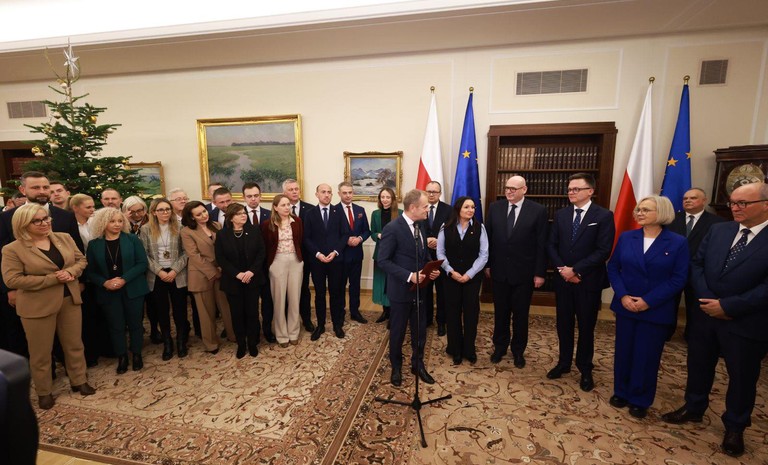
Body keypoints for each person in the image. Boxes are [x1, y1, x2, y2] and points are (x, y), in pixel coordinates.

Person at [662, 182, 768, 458]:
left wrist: (728, 306)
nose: (735, 208)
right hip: (706, 314)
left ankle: (735, 426)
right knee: (698, 364)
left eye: (743, 203)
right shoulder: (720, 229)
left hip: (745, 321)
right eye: (733, 202)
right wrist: (708, 299)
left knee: (742, 376)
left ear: (765, 205)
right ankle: (694, 407)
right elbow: (697, 264)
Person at [1, 204, 95, 410]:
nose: (44, 223)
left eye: (46, 218)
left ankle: (79, 380)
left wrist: (71, 272)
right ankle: (44, 391)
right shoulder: (12, 249)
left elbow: (81, 260)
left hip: (69, 299)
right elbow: (12, 279)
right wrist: (52, 279)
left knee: (74, 344)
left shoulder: (64, 238)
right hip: (37, 306)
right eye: (37, 220)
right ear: (23, 224)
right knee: (41, 352)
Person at [606, 195, 688, 419]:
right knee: (624, 351)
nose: (639, 213)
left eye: (646, 210)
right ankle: (621, 391)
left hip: (655, 309)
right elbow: (613, 267)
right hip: (626, 305)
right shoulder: (627, 237)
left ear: (661, 213)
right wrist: (622, 295)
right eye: (638, 209)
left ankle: (640, 398)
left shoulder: (677, 242)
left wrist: (648, 301)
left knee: (647, 355)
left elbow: (678, 278)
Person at [0, 171, 82, 357]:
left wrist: (78, 279)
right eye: (36, 187)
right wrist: (9, 290)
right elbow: (3, 258)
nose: (42, 191)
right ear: (23, 190)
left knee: (72, 342)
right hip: (31, 295)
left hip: (67, 292)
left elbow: (78, 254)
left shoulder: (65, 216)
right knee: (38, 347)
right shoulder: (6, 218)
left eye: (46, 187)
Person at [548, 173, 614, 392]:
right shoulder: (561, 214)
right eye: (569, 189)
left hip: (588, 281)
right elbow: (552, 245)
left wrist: (576, 270)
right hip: (563, 281)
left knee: (586, 326)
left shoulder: (603, 216)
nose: (571, 192)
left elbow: (603, 250)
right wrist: (563, 270)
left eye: (576, 189)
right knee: (563, 324)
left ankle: (585, 368)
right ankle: (563, 363)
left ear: (590, 191)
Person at [378, 189, 440, 387]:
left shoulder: (421, 225)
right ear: (413, 208)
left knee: (420, 330)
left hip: (421, 289)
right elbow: (383, 260)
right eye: (425, 207)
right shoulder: (392, 228)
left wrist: (431, 269)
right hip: (400, 290)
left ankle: (417, 364)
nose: (428, 209)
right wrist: (409, 276)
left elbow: (423, 254)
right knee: (397, 331)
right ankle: (396, 367)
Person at [485, 175, 548, 368]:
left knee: (520, 315)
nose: (509, 191)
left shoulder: (538, 211)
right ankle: (500, 347)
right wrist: (487, 265)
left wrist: (540, 272)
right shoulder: (495, 208)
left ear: (524, 190)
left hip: (524, 274)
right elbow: (488, 239)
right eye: (507, 188)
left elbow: (542, 244)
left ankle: (518, 351)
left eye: (513, 188)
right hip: (499, 272)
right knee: (500, 313)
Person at [85, 207, 149, 374]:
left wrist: (123, 279)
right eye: (112, 221)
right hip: (108, 291)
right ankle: (122, 356)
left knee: (135, 324)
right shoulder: (94, 245)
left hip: (133, 288)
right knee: (116, 326)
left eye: (120, 221)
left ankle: (137, 354)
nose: (117, 224)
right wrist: (104, 282)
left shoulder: (132, 239)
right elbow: (90, 271)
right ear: (103, 223)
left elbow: (142, 263)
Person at [667, 188, 725, 339]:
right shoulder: (671, 219)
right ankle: (666, 332)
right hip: (672, 270)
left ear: (704, 201)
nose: (688, 200)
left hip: (699, 272)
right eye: (685, 198)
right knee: (669, 302)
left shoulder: (717, 222)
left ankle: (691, 335)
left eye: (693, 198)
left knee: (695, 306)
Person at [437, 196, 488, 365]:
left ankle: (469, 350)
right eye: (467, 207)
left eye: (473, 207)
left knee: (471, 314)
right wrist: (450, 271)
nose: (471, 210)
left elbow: (484, 255)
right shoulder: (445, 227)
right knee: (452, 314)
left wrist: (469, 274)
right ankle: (455, 349)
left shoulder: (480, 228)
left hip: (472, 279)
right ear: (458, 209)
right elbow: (440, 253)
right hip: (451, 278)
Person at [139, 198, 189, 360]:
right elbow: (143, 254)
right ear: (154, 212)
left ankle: (181, 341)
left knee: (180, 310)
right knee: (162, 310)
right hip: (156, 275)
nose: (165, 212)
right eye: (160, 210)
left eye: (167, 209)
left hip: (177, 273)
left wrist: (174, 270)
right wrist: (159, 271)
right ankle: (168, 342)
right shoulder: (146, 229)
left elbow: (186, 252)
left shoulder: (180, 227)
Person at [180, 201, 233, 355]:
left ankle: (233, 335)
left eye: (204, 211)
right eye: (199, 214)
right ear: (192, 217)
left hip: (221, 271)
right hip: (201, 275)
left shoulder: (216, 225)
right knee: (206, 312)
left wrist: (223, 267)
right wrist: (214, 271)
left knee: (226, 307)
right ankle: (211, 343)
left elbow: (225, 248)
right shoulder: (187, 232)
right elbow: (194, 256)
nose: (204, 215)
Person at [215, 203, 266, 358]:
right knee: (236, 314)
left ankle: (252, 343)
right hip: (233, 280)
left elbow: (261, 253)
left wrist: (251, 272)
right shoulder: (222, 234)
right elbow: (220, 258)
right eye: (239, 214)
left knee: (252, 312)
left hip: (252, 279)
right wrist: (237, 274)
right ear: (231, 218)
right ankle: (241, 344)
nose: (243, 215)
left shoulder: (254, 230)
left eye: (244, 213)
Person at [303, 183, 347, 340]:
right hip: (317, 262)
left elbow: (345, 235)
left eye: (329, 192)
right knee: (320, 294)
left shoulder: (339, 212)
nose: (326, 194)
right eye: (323, 192)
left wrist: (335, 252)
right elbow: (306, 238)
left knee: (336, 293)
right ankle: (320, 325)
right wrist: (318, 254)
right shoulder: (310, 214)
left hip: (335, 260)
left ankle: (337, 325)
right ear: (317, 194)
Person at [260, 194, 304, 347]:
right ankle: (281, 335)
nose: (287, 207)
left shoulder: (297, 221)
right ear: (275, 207)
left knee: (294, 298)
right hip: (277, 261)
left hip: (295, 261)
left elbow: (300, 241)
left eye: (288, 204)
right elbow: (265, 246)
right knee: (279, 299)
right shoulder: (267, 224)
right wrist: (270, 265)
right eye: (283, 205)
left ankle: (293, 332)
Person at [70, 193, 102, 365]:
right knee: (87, 315)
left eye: (93, 206)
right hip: (82, 273)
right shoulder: (69, 224)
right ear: (75, 208)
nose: (92, 209)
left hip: (101, 271)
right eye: (88, 207)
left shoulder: (96, 221)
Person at [243, 182, 276, 343]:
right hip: (247, 269)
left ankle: (267, 330)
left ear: (260, 196)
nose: (253, 199)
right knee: (250, 304)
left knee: (268, 301)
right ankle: (253, 333)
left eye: (256, 196)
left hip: (266, 266)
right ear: (244, 198)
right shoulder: (238, 216)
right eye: (249, 196)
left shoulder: (270, 215)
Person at [283, 178, 315, 332]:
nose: (294, 192)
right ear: (284, 193)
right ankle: (287, 320)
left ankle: (306, 319)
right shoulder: (280, 209)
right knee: (285, 290)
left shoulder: (310, 209)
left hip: (305, 257)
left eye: (296, 189)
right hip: (284, 257)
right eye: (291, 190)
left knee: (303, 289)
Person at [337, 181, 370, 324]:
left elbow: (367, 231)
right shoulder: (334, 210)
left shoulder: (360, 210)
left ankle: (355, 312)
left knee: (355, 285)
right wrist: (346, 240)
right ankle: (340, 313)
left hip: (356, 254)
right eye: (344, 193)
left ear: (353, 193)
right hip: (341, 255)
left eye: (350, 192)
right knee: (340, 286)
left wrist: (360, 239)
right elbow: (332, 234)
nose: (348, 195)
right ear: (339, 194)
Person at [423, 181, 451, 335]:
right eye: (429, 191)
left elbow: (452, 231)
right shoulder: (419, 207)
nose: (431, 194)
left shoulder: (448, 210)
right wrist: (426, 240)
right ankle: (426, 319)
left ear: (440, 193)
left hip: (442, 257)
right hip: (423, 256)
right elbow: (414, 228)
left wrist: (439, 241)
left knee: (442, 292)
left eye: (435, 191)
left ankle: (441, 322)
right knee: (425, 290)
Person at [370, 187, 401, 325]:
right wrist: (378, 235)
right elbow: (372, 232)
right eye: (382, 197)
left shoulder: (400, 213)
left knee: (393, 284)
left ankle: (394, 313)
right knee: (381, 283)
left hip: (395, 255)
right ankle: (385, 311)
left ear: (392, 199)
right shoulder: (375, 214)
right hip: (380, 254)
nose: (385, 200)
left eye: (388, 197)